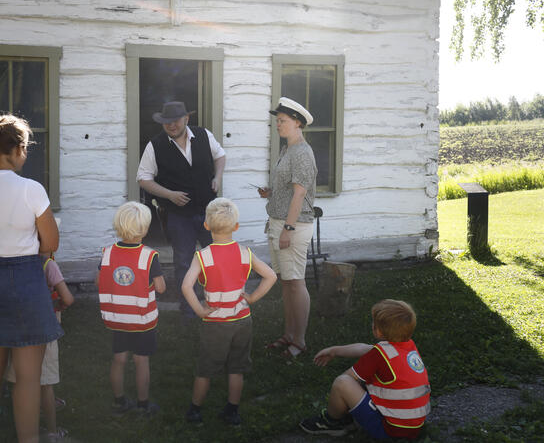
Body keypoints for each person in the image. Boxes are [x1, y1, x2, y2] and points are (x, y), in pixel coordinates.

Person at [0, 113, 62, 443]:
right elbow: (50, 243)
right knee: (28, 377)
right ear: (18, 149)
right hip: (24, 279)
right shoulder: (30, 189)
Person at [181, 198, 277, 425]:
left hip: (215, 323)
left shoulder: (203, 256)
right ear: (236, 226)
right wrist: (252, 297)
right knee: (236, 368)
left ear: (206, 225)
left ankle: (195, 411)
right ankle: (232, 411)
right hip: (242, 320)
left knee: (205, 369)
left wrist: (200, 311)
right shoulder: (245, 253)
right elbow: (271, 276)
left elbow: (186, 286)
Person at [136, 101, 225, 319]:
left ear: (186, 119)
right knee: (184, 261)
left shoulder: (203, 135)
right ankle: (189, 311)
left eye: (176, 120)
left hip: (209, 211)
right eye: (167, 122)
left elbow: (220, 156)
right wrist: (169, 194)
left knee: (215, 257)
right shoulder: (155, 145)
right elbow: (143, 179)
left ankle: (220, 304)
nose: (171, 125)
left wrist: (217, 177)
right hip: (178, 215)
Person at [299, 299, 431, 439]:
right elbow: (364, 348)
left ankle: (332, 422)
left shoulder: (379, 355)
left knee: (342, 382)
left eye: (373, 322)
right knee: (365, 381)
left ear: (378, 331)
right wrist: (334, 351)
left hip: (389, 431)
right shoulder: (407, 346)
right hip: (414, 427)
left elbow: (348, 380)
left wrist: (345, 399)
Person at [258, 97, 317, 359]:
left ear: (297, 123)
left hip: (293, 225)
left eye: (282, 121)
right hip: (278, 222)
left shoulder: (302, 152)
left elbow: (300, 194)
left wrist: (288, 229)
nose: (278, 125)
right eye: (278, 121)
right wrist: (271, 193)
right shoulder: (287, 149)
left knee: (296, 282)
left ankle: (300, 341)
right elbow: (288, 189)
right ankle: (289, 334)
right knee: (286, 282)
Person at [96, 201, 166, 416]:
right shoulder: (149, 256)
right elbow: (161, 288)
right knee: (141, 360)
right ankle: (143, 405)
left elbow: (99, 280)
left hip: (117, 318)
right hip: (141, 319)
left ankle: (119, 402)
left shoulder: (108, 253)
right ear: (145, 229)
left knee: (119, 359)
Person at [7, 254, 74, 442]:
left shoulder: (11, 262)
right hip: (44, 331)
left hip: (18, 329)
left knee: (21, 381)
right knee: (45, 384)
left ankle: (23, 429)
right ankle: (52, 432)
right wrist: (60, 304)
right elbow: (68, 299)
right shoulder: (48, 265)